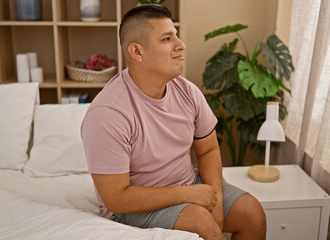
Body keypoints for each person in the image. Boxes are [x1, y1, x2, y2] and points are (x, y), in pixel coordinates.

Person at [81, 4, 266, 240]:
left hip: (188, 185)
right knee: (202, 223)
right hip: (132, 207)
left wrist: (217, 202)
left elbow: (208, 149)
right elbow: (116, 197)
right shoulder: (107, 114)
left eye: (176, 35)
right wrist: (188, 195)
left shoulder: (187, 92)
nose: (181, 45)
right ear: (137, 52)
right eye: (167, 38)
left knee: (253, 213)